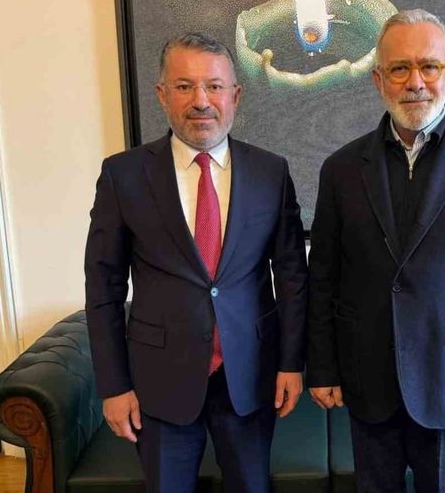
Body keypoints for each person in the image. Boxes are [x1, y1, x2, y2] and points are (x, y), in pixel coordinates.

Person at [306, 9, 445, 492]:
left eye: (429, 66)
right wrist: (322, 367)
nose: (415, 82)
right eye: (399, 68)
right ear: (378, 80)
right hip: (367, 377)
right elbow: (323, 276)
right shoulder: (341, 169)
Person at [84, 32, 307, 493]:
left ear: (235, 95)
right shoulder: (123, 175)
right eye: (184, 87)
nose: (201, 101)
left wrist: (292, 363)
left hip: (249, 375)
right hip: (159, 381)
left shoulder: (271, 172)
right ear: (162, 94)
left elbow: (291, 277)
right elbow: (103, 287)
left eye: (214, 86)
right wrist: (113, 386)